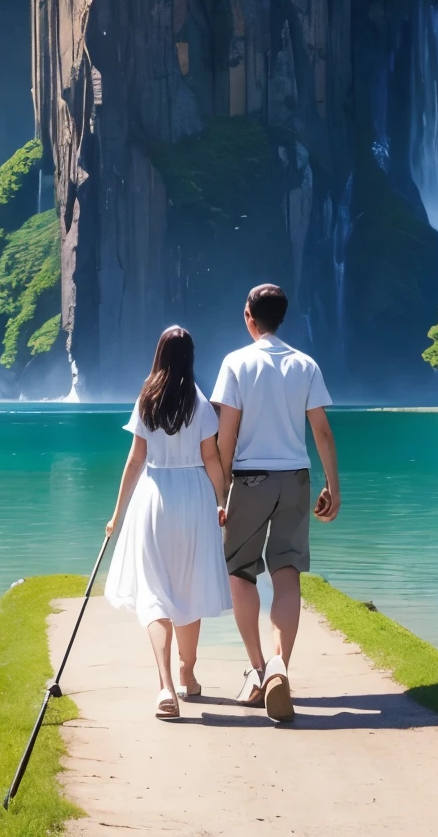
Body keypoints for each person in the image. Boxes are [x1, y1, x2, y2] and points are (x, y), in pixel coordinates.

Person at [211, 283, 340, 723]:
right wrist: (333, 486)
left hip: (250, 479)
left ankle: (259, 667)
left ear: (249, 316)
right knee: (287, 573)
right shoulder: (305, 364)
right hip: (297, 478)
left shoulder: (236, 363)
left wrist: (219, 489)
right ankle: (282, 665)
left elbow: (225, 433)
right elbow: (321, 431)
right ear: (281, 317)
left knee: (238, 571)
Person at [103, 326, 232, 720]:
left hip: (154, 495)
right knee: (188, 586)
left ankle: (165, 687)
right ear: (190, 357)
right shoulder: (200, 403)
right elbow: (212, 458)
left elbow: (135, 459)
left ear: (159, 354)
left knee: (156, 591)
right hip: (194, 496)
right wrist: (222, 499)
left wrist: (117, 513)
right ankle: (187, 674)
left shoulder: (147, 398)